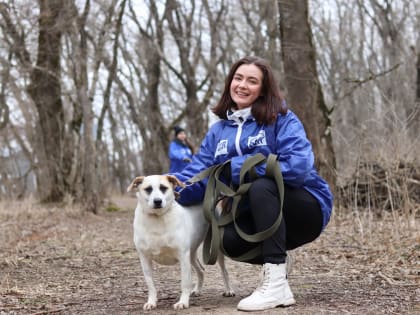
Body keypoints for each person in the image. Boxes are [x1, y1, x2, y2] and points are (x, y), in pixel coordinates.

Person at [169, 56, 333, 311]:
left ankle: (274, 285)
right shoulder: (218, 131)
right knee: (226, 240)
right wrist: (168, 188)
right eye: (238, 78)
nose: (242, 85)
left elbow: (299, 167)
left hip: (305, 206)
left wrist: (238, 168)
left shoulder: (282, 119)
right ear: (229, 83)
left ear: (264, 89)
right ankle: (278, 275)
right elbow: (199, 173)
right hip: (255, 212)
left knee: (262, 184)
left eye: (252, 81)